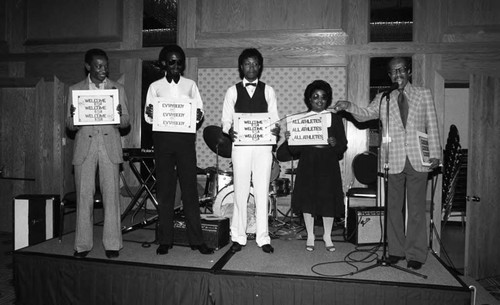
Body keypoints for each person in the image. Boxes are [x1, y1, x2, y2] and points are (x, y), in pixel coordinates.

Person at [334, 57, 441, 270]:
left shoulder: (423, 94)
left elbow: (432, 124)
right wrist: (348, 106)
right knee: (393, 208)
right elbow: (365, 115)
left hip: (418, 159)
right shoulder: (384, 98)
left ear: (408, 72)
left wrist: (436, 154)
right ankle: (395, 251)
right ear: (389, 76)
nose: (397, 74)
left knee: (417, 209)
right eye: (393, 72)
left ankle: (416, 253)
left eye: (401, 70)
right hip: (393, 159)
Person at [144, 44, 214, 255]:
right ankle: (165, 240)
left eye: (180, 62)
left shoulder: (190, 85)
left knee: (190, 191)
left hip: (184, 143)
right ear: (164, 63)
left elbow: (199, 111)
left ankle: (197, 240)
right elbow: (149, 117)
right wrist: (150, 112)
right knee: (165, 191)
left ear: (183, 64)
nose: (176, 66)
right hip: (163, 142)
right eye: (171, 61)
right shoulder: (155, 87)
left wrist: (198, 116)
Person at [67, 48, 130, 259]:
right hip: (85, 147)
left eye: (106, 65)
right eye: (99, 66)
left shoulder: (117, 89)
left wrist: (120, 115)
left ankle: (112, 244)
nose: (104, 69)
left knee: (111, 196)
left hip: (109, 146)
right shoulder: (75, 90)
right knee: (83, 196)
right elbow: (68, 124)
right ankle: (82, 245)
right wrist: (74, 119)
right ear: (88, 66)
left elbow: (126, 122)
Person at [221, 48, 280, 254]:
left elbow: (274, 119)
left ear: (260, 67)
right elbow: (225, 120)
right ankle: (238, 236)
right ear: (241, 67)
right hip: (241, 148)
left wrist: (276, 128)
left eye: (255, 64)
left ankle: (263, 237)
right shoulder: (232, 91)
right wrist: (229, 130)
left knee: (263, 190)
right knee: (241, 191)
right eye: (247, 63)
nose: (251, 67)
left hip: (263, 147)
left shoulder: (269, 90)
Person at [282, 80, 347, 252]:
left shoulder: (335, 119)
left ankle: (327, 235)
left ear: (328, 100)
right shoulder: (300, 120)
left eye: (323, 97)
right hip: (308, 164)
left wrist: (334, 143)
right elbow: (294, 150)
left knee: (328, 201)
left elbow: (342, 147)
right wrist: (290, 138)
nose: (319, 100)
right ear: (309, 99)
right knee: (308, 201)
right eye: (315, 97)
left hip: (328, 165)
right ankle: (310, 234)